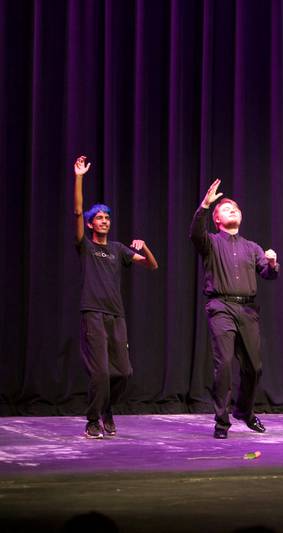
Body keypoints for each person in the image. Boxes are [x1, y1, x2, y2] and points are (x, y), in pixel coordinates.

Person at [73, 155, 158, 439]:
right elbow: (77, 211)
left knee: (123, 372)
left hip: (116, 315)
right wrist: (79, 176)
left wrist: (144, 248)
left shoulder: (118, 249)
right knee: (100, 373)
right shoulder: (85, 246)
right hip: (93, 313)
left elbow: (152, 265)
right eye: (99, 218)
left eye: (107, 218)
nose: (105, 221)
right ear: (90, 225)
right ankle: (92, 420)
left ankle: (107, 409)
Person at [190, 179, 279, 439]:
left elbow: (268, 274)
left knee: (254, 368)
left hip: (247, 310)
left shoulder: (252, 247)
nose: (233, 211)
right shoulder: (210, 242)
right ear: (216, 220)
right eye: (226, 209)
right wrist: (206, 204)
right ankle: (222, 422)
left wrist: (272, 263)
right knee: (225, 364)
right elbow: (195, 232)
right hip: (220, 306)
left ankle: (244, 411)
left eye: (235, 209)